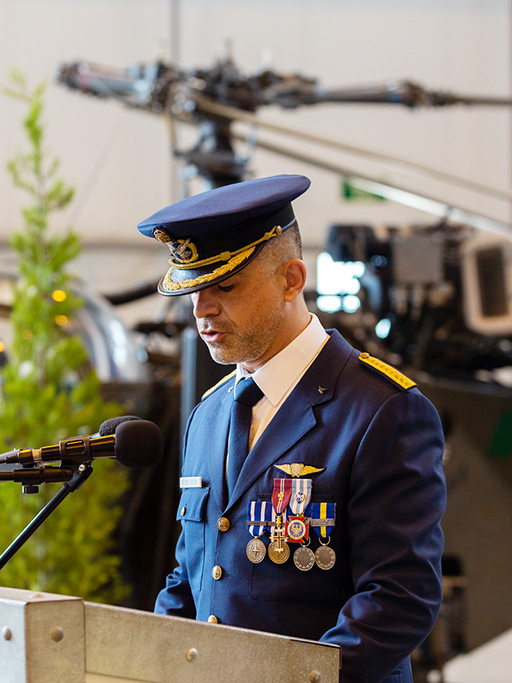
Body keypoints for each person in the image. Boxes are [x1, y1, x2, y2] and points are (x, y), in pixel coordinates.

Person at [138, 174, 446, 683]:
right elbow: (192, 576)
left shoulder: (381, 411)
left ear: (291, 279)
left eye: (226, 286)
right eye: (193, 290)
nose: (202, 309)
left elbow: (398, 600)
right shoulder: (208, 415)